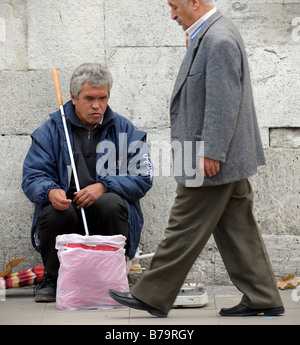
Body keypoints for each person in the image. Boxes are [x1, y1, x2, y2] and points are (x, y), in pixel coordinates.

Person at [109, 0, 284, 317]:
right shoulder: (208, 34)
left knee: (184, 224)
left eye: (175, 6)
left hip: (209, 156)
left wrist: (211, 151)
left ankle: (151, 294)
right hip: (220, 155)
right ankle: (263, 296)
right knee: (237, 228)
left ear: (194, 1)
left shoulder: (218, 39)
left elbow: (223, 101)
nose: (172, 15)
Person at [22, 63, 153, 302]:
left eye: (102, 98)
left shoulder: (123, 129)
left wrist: (104, 186)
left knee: (110, 204)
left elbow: (143, 176)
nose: (97, 105)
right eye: (89, 98)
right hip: (69, 211)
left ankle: (110, 277)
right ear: (73, 97)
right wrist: (51, 192)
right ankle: (55, 278)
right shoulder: (52, 130)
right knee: (53, 213)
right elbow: (32, 176)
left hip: (106, 211)